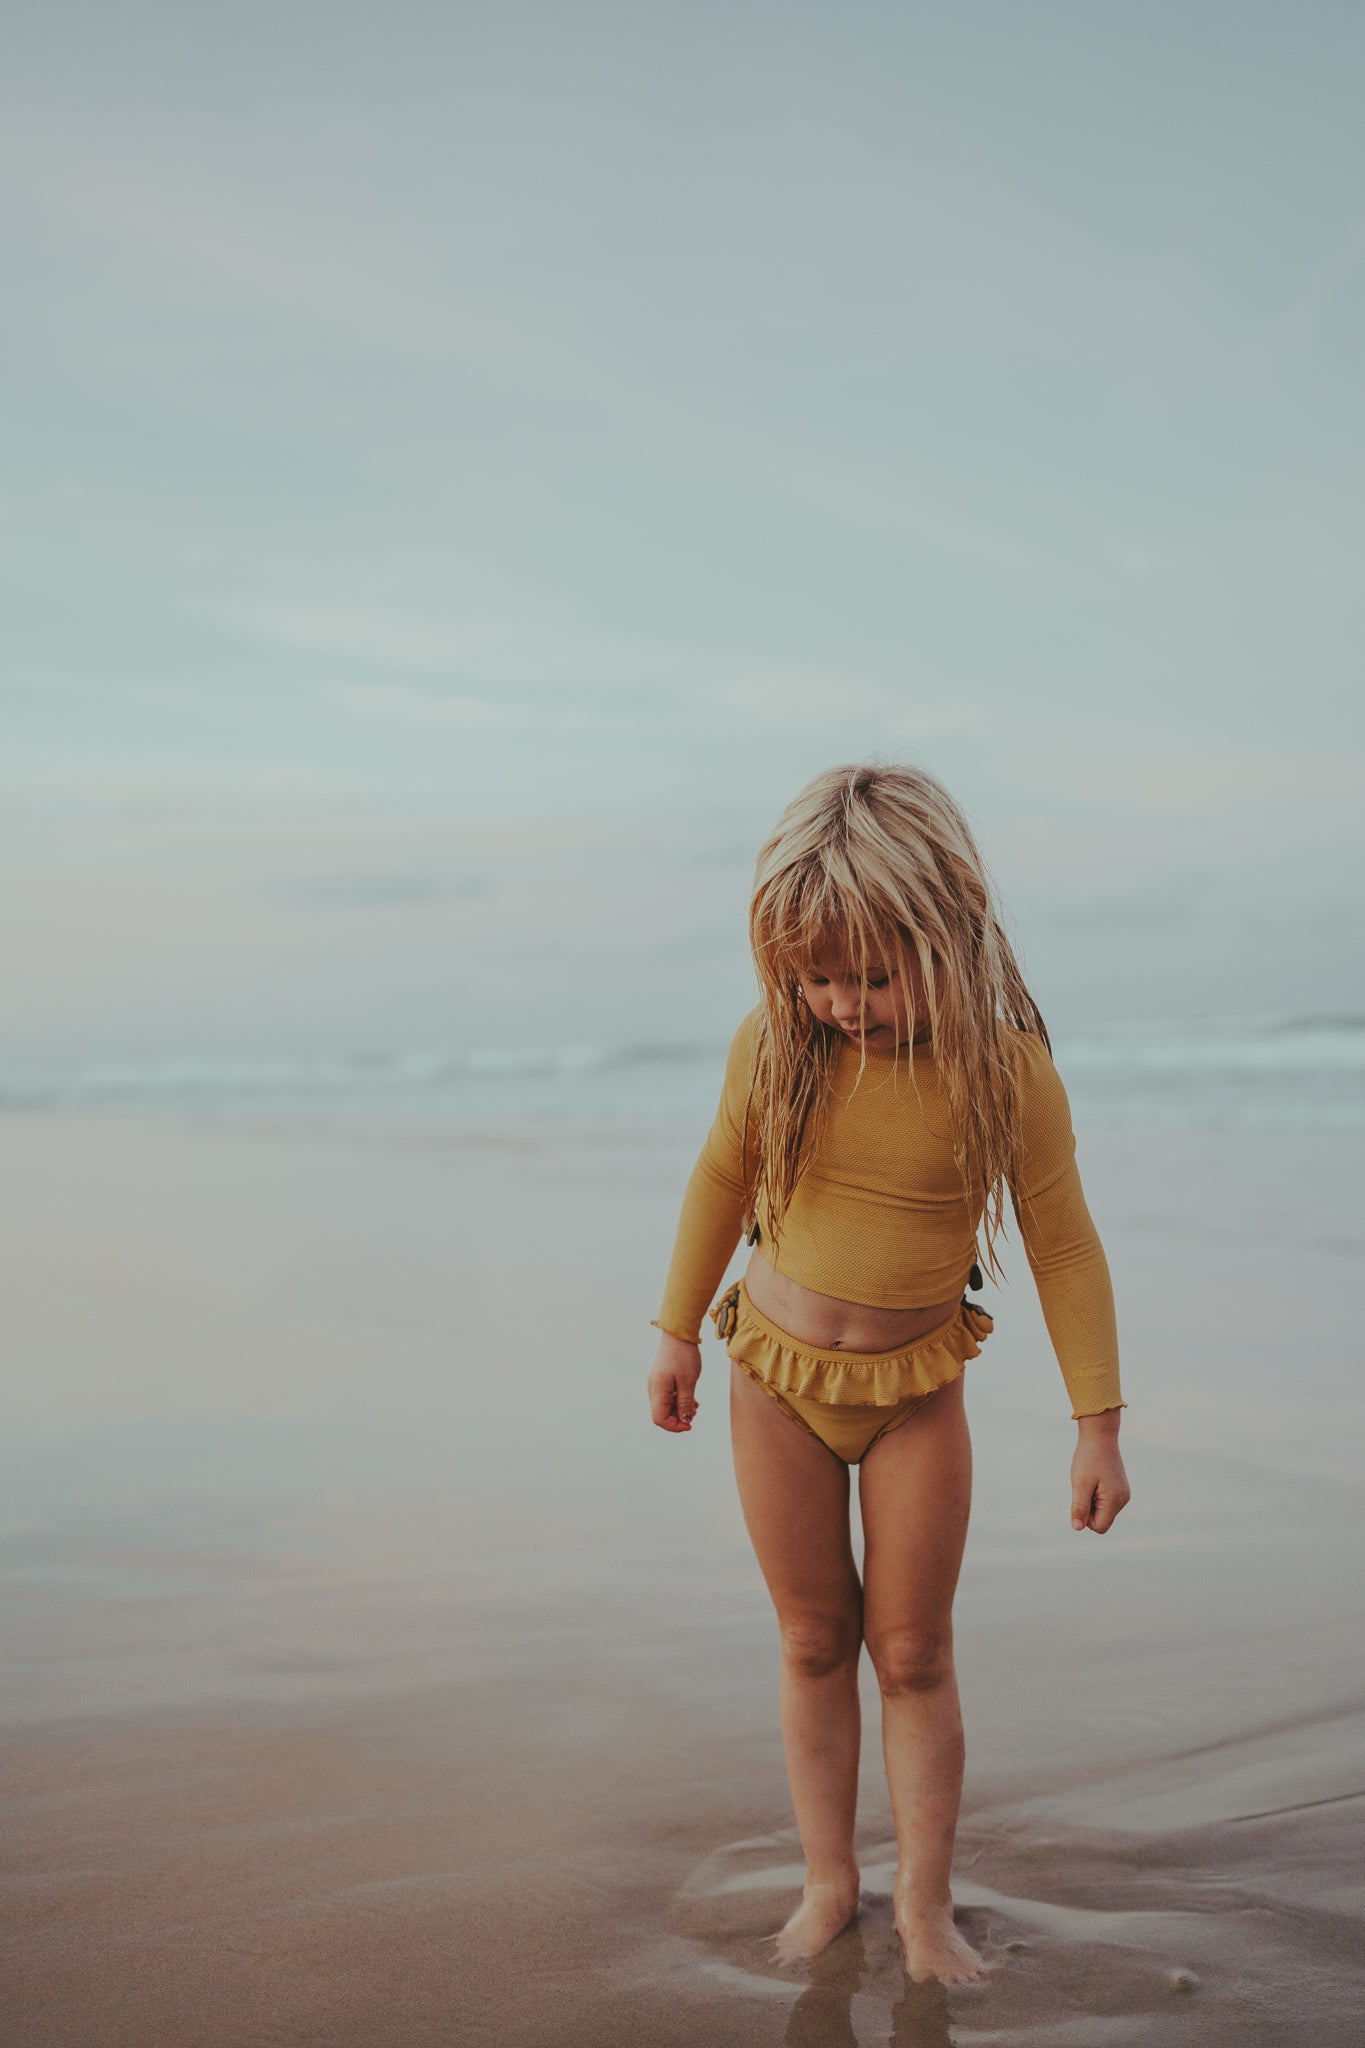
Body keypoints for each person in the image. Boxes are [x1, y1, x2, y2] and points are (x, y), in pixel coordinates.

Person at [646, 761, 1131, 1989]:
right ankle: (828, 1881)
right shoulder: (777, 1048)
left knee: (912, 1649)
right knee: (815, 1636)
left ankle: (923, 1906)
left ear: (949, 935)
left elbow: (1065, 1241)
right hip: (776, 1383)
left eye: (872, 975)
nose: (843, 1003)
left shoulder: (1005, 1072)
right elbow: (715, 1178)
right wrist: (674, 1330)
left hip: (915, 1393)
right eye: (817, 976)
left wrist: (1098, 1423)